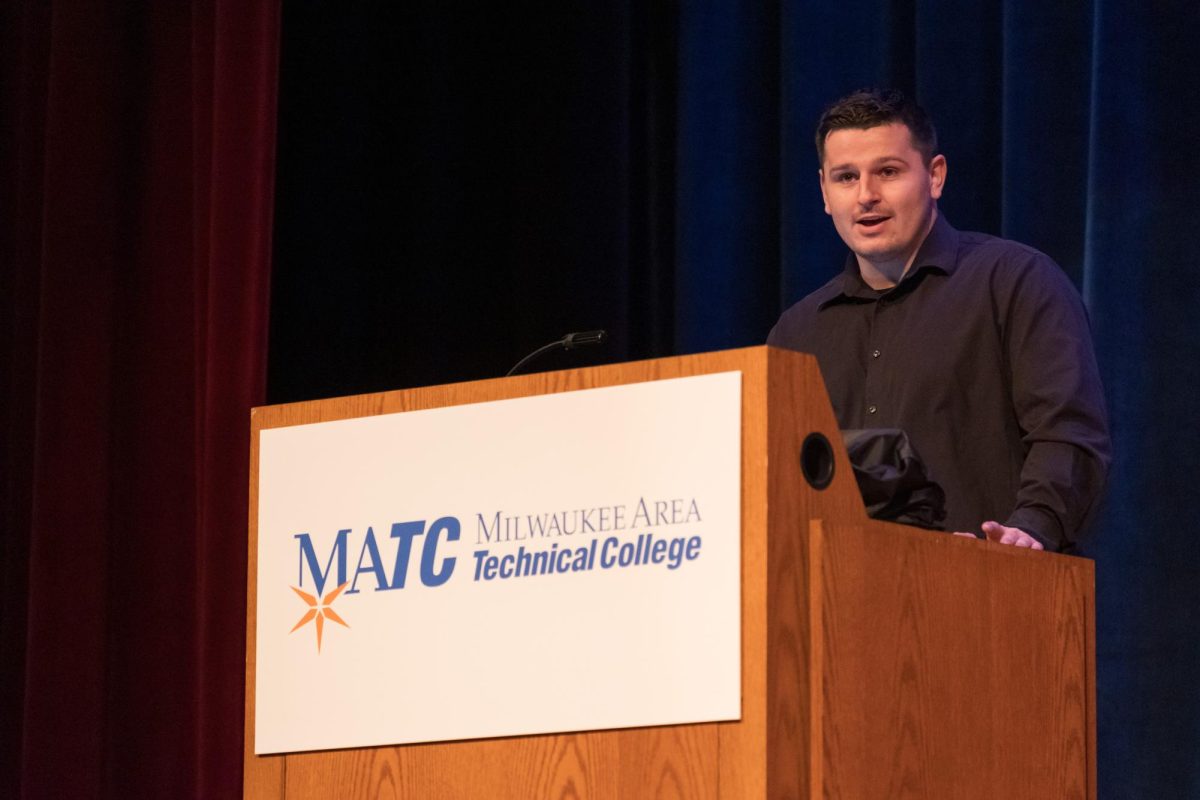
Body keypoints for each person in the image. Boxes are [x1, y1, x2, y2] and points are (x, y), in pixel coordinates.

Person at [768, 88, 1111, 551]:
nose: (866, 196)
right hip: (840, 602)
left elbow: (1068, 434)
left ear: (935, 176)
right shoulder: (797, 331)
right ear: (825, 193)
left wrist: (1033, 528)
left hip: (992, 592)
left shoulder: (1014, 282)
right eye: (846, 177)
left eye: (887, 172)